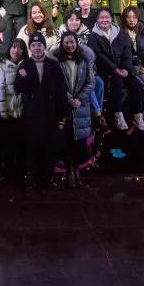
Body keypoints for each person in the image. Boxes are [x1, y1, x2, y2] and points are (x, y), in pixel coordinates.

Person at [12, 31, 69, 189]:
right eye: (34, 45)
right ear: (30, 48)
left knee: (48, 147)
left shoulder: (53, 65)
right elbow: (18, 87)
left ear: (44, 46)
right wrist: (27, 79)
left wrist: (62, 114)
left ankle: (48, 178)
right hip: (31, 114)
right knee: (31, 148)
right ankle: (32, 180)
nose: (37, 47)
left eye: (39, 45)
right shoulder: (24, 65)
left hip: (50, 113)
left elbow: (61, 90)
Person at [51, 31, 95, 188]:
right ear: (62, 44)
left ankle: (77, 171)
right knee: (66, 141)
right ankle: (69, 171)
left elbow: (90, 82)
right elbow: (57, 84)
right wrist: (69, 99)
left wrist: (80, 98)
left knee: (80, 143)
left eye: (72, 42)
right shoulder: (57, 62)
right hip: (65, 105)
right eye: (66, 42)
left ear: (76, 43)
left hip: (81, 106)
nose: (69, 45)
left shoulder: (84, 60)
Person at [89, 7, 138, 131]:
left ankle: (138, 115)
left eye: (107, 17)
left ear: (111, 19)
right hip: (105, 70)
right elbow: (99, 56)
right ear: (97, 20)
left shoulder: (120, 32)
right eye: (101, 18)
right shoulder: (93, 36)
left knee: (136, 83)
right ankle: (118, 114)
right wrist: (115, 68)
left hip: (123, 68)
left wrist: (126, 68)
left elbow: (127, 50)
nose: (104, 20)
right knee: (117, 81)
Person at [0, 39, 25, 179]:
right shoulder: (1, 67)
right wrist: (3, 111)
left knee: (21, 144)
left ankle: (20, 173)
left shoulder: (27, 65)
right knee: (8, 144)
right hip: (8, 113)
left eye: (20, 48)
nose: (16, 51)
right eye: (14, 47)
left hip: (22, 113)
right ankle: (8, 173)